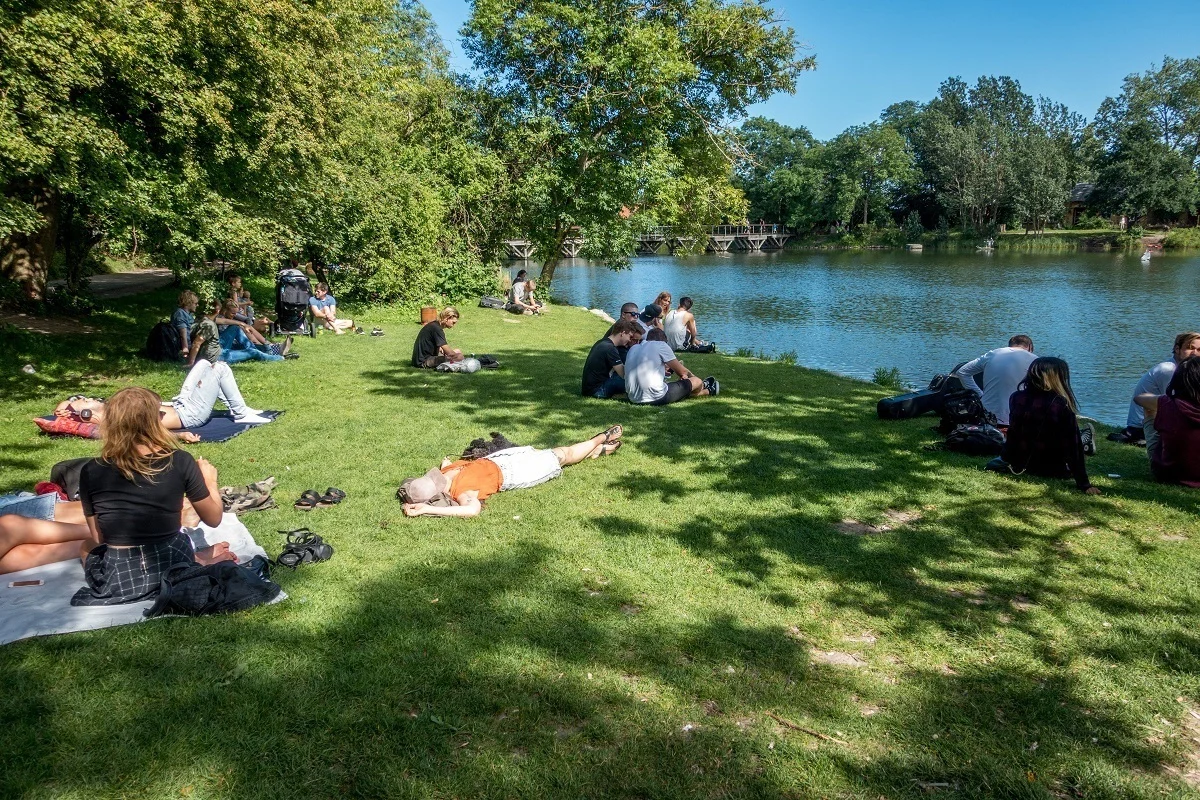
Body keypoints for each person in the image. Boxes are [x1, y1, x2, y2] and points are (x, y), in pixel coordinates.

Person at [70, 388, 237, 605]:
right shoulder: (179, 460)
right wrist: (210, 481)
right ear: (152, 422)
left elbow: (100, 538)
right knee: (177, 539)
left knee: (86, 546)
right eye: (160, 414)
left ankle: (194, 562)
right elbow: (214, 518)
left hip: (121, 577)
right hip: (172, 561)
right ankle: (196, 562)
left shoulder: (91, 470)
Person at [399, 426, 625, 518]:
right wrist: (426, 509)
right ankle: (600, 438)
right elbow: (471, 511)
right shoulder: (462, 492)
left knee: (559, 454)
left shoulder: (448, 470)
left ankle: (598, 450)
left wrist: (442, 469)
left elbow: (444, 465)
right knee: (561, 455)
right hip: (516, 472)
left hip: (502, 458)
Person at [54, 360, 273, 438]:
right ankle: (241, 413)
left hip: (179, 403)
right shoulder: (113, 419)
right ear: (83, 413)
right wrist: (66, 411)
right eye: (81, 400)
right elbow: (147, 432)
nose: (85, 397)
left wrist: (69, 408)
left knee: (205, 364)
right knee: (220, 369)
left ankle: (240, 409)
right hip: (190, 414)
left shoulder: (114, 407)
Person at [990, 357, 1099, 495]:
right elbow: (1072, 445)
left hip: (1019, 463)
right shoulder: (1060, 403)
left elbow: (1014, 434)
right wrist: (1084, 484)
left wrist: (1006, 459)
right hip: (1051, 468)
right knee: (1075, 438)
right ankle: (1085, 440)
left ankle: (1085, 438)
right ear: (1057, 378)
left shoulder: (1016, 397)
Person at [1112, 332, 1200, 444]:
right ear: (1177, 349)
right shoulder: (1168, 370)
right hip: (1142, 426)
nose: (1195, 353)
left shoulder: (1187, 370)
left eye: (1199, 350)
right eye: (1190, 348)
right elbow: (1172, 405)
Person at [1134, 356, 1200, 487]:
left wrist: (1163, 400)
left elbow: (1139, 398)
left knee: (1150, 409)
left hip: (1168, 474)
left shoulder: (1168, 403)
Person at [951, 335, 1037, 427]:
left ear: (1010, 345)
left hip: (987, 416)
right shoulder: (1034, 359)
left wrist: (980, 394)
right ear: (1030, 347)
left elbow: (962, 372)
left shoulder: (992, 354)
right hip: (1018, 418)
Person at [624, 328, 718, 405]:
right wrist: (692, 377)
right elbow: (683, 372)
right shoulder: (661, 345)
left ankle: (702, 386)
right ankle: (706, 390)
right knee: (696, 381)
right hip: (656, 397)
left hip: (633, 397)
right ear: (664, 341)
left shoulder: (634, 348)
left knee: (672, 383)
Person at [582, 319, 641, 399]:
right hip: (597, 390)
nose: (629, 340)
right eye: (629, 336)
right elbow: (623, 374)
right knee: (635, 382)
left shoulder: (602, 342)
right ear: (623, 333)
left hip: (589, 388)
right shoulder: (610, 349)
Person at [218, 300, 289, 363]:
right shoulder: (218, 318)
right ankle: (271, 349)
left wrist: (246, 325)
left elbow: (247, 319)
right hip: (223, 348)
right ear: (225, 310)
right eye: (233, 313)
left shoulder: (231, 316)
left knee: (243, 330)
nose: (234, 315)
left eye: (235, 313)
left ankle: (270, 348)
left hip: (230, 344)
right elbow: (224, 321)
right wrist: (241, 324)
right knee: (236, 328)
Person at [171, 291, 199, 360]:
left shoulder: (188, 314)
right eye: (196, 303)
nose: (197, 305)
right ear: (188, 303)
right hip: (185, 347)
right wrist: (186, 352)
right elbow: (183, 335)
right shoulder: (180, 314)